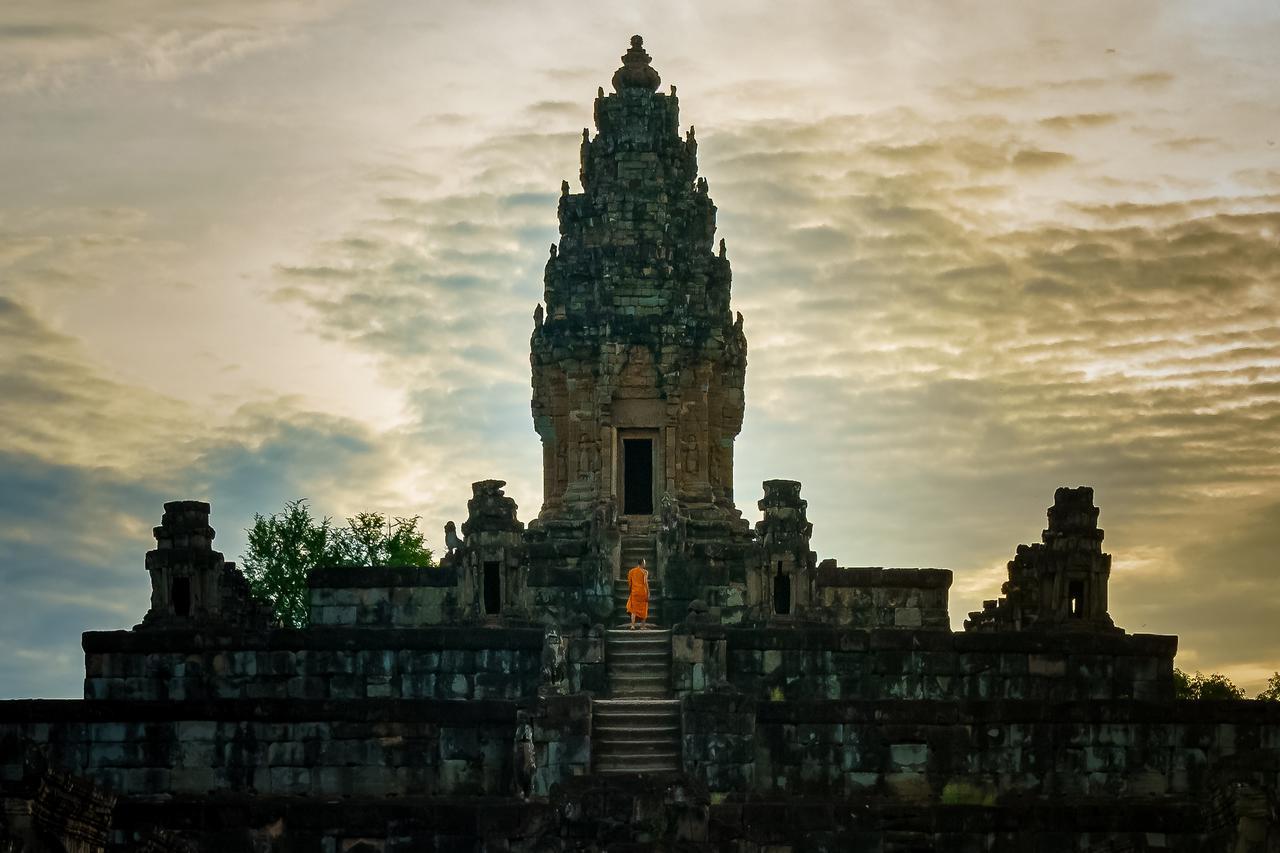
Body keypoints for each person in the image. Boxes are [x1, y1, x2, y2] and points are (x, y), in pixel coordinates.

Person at [626, 558, 650, 629]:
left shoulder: (631, 571)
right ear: (642, 563)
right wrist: (648, 592)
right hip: (643, 592)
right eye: (645, 562)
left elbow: (630, 583)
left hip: (635, 592)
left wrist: (630, 591)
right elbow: (645, 583)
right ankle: (642, 626)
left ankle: (633, 625)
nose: (645, 564)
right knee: (644, 608)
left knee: (633, 609)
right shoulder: (645, 572)